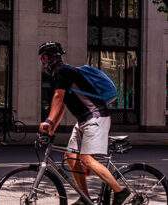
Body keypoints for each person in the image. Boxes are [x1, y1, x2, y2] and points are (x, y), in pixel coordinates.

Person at [38, 41, 132, 205]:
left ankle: (121, 192)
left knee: (86, 159)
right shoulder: (59, 76)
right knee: (71, 156)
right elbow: (61, 107)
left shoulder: (64, 71)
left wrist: (48, 121)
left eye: (44, 58)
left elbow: (58, 98)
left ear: (51, 57)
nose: (43, 62)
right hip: (84, 121)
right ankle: (85, 199)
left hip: (96, 117)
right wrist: (51, 130)